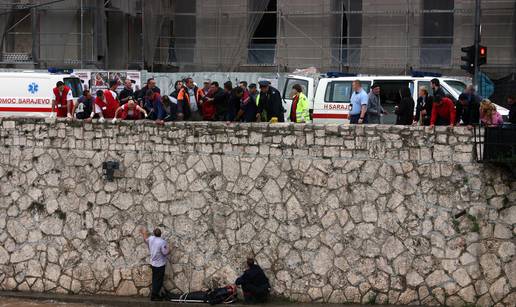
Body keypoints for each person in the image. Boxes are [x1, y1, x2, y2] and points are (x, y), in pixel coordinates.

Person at [140, 227, 170, 301]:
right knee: (158, 280)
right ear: (160, 234)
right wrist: (170, 249)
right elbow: (165, 253)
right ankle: (154, 296)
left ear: (154, 233)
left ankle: (155, 294)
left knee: (155, 279)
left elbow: (145, 239)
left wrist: (144, 233)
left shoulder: (151, 239)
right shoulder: (162, 242)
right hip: (160, 265)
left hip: (153, 264)